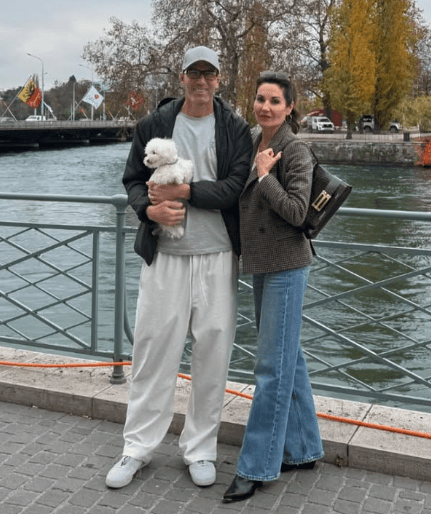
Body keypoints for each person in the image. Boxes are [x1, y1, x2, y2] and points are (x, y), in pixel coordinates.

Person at [107, 46, 252, 489]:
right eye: (194, 72)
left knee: (213, 355)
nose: (201, 80)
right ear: (182, 77)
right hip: (165, 256)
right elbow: (133, 180)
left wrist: (184, 192)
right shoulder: (154, 124)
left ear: (219, 79)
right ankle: (137, 447)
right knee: (153, 352)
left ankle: (200, 449)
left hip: (218, 255)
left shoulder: (235, 128)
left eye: (209, 73)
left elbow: (234, 188)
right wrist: (148, 212)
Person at [223, 71, 324, 503]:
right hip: (261, 263)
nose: (265, 107)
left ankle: (257, 465)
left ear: (289, 107)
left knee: (270, 369)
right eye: (260, 99)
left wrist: (265, 177)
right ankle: (303, 448)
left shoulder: (295, 149)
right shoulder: (251, 140)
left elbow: (298, 212)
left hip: (286, 264)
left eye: (275, 101)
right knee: (287, 358)